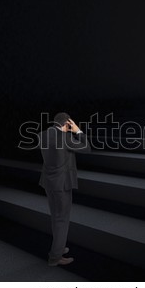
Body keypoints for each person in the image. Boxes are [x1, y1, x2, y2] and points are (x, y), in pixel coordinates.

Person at [39, 112, 91, 266]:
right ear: (67, 123)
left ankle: (59, 247)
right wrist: (78, 131)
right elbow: (87, 148)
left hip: (48, 182)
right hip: (61, 184)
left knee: (56, 217)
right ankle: (55, 257)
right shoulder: (66, 138)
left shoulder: (43, 134)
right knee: (62, 219)